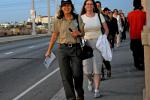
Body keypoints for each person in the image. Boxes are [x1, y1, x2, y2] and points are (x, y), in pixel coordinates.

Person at [45, 0, 85, 99]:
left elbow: (83, 33)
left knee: (77, 74)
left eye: (68, 5)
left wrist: (79, 34)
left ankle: (80, 94)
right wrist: (49, 50)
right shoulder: (58, 20)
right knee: (66, 76)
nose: (66, 7)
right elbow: (54, 35)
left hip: (76, 48)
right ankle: (71, 98)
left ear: (71, 6)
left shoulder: (77, 17)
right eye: (64, 6)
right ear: (61, 7)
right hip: (62, 49)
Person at [80, 0, 109, 98]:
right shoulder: (81, 17)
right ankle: (89, 79)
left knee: (97, 69)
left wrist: (103, 38)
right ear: (84, 6)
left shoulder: (99, 16)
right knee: (87, 71)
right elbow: (79, 32)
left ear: (93, 6)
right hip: (86, 45)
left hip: (98, 44)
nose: (89, 5)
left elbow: (106, 30)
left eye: (91, 4)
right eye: (87, 4)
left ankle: (97, 90)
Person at [127, 0, 146, 70]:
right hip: (141, 35)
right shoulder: (144, 14)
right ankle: (142, 64)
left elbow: (129, 24)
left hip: (133, 36)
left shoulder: (129, 14)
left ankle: (137, 64)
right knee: (142, 51)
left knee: (135, 51)